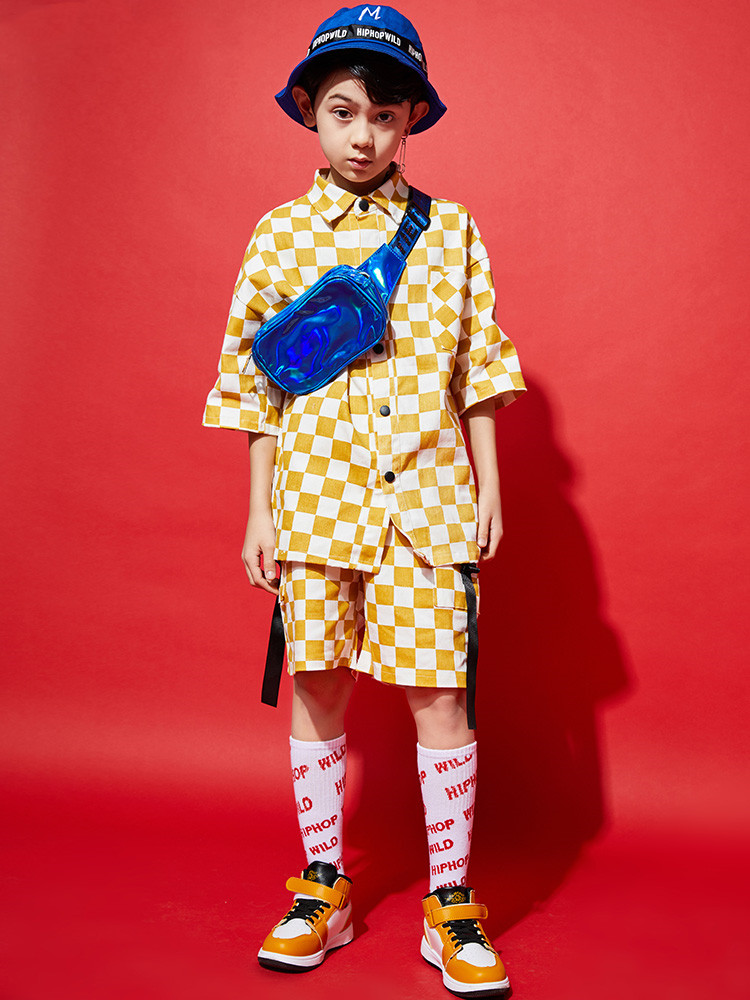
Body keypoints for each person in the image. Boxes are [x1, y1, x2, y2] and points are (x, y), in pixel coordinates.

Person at [203, 6, 525, 996]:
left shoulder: (452, 233)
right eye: (344, 111)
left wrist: (490, 488)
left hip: (428, 505)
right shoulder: (279, 237)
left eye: (386, 115)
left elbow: (478, 366)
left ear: (411, 120)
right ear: (309, 110)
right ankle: (323, 890)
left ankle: (451, 901)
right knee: (317, 686)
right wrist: (260, 510)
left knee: (442, 695)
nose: (363, 136)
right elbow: (256, 384)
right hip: (317, 503)